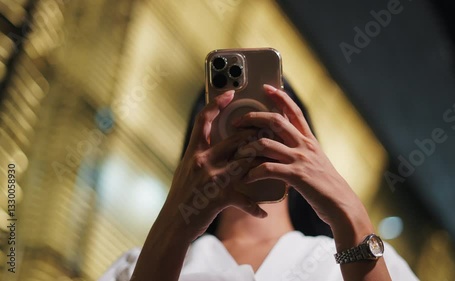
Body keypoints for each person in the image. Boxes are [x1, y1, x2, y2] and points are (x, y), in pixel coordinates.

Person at [98, 80, 419, 281]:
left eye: (270, 123)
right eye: (230, 122)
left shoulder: (369, 258)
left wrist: (351, 217)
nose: (251, 135)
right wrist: (176, 223)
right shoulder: (138, 264)